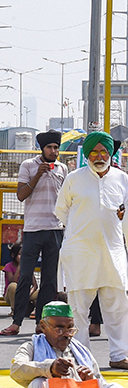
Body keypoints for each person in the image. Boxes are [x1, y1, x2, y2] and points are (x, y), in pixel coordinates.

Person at [54, 131, 128, 370]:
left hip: (113, 254)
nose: (99, 156)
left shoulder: (122, 179)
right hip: (80, 255)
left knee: (117, 307)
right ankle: (80, 359)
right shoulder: (74, 178)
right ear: (87, 155)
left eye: (103, 151)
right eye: (94, 152)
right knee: (78, 310)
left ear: (110, 153)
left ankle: (119, 355)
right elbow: (61, 211)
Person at [0, 130, 65, 336]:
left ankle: (41, 323)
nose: (53, 151)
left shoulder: (63, 169)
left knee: (49, 280)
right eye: (49, 147)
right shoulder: (28, 165)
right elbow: (21, 195)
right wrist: (38, 174)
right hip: (33, 229)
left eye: (56, 147)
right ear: (42, 149)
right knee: (25, 276)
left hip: (55, 229)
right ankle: (16, 322)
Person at [2, 243, 37, 319]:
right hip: (11, 294)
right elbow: (12, 281)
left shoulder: (28, 266)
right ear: (13, 255)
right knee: (13, 286)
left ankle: (37, 309)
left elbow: (35, 285)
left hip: (25, 293)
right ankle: (15, 310)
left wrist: (29, 293)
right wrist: (20, 266)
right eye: (20, 255)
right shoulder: (9, 266)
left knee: (44, 290)